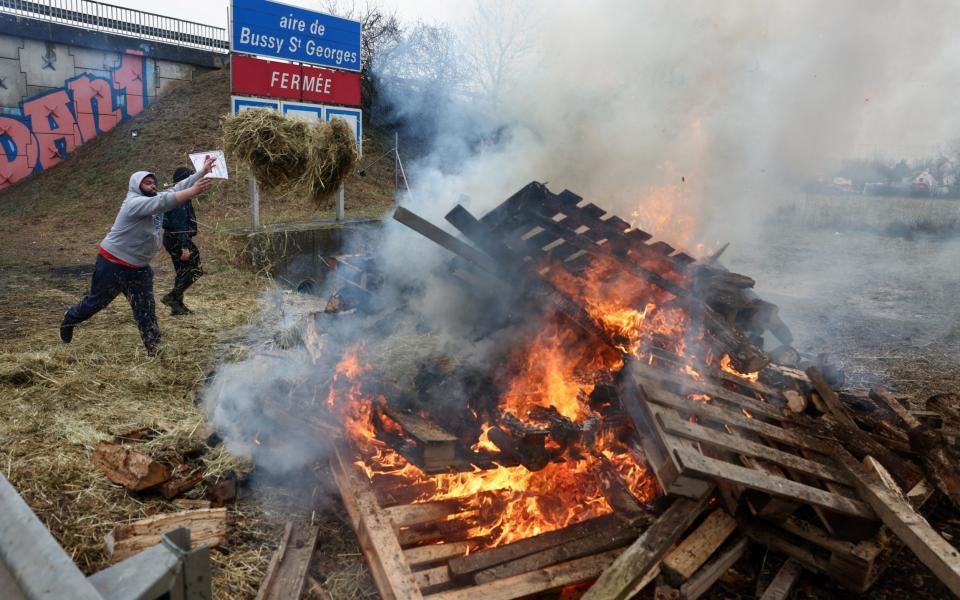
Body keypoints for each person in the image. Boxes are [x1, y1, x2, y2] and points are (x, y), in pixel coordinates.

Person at [60, 157, 215, 355]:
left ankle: (154, 348)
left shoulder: (152, 198)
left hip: (139, 268)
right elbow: (165, 201)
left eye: (153, 182)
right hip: (113, 263)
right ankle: (70, 318)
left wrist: (202, 172)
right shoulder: (133, 203)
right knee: (96, 303)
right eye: (147, 182)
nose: (152, 185)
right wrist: (192, 192)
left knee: (146, 309)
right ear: (136, 185)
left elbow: (178, 187)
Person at [161, 166, 203, 315]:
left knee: (182, 271)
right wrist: (185, 247)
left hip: (171, 237)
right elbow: (180, 224)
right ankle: (172, 297)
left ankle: (177, 306)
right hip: (178, 238)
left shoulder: (177, 195)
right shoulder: (180, 199)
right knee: (196, 270)